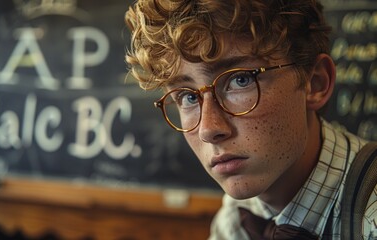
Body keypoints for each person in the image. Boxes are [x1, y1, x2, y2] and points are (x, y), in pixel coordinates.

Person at [124, 0, 377, 239]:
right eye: (187, 97)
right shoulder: (234, 218)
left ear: (315, 83)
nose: (208, 129)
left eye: (240, 80)